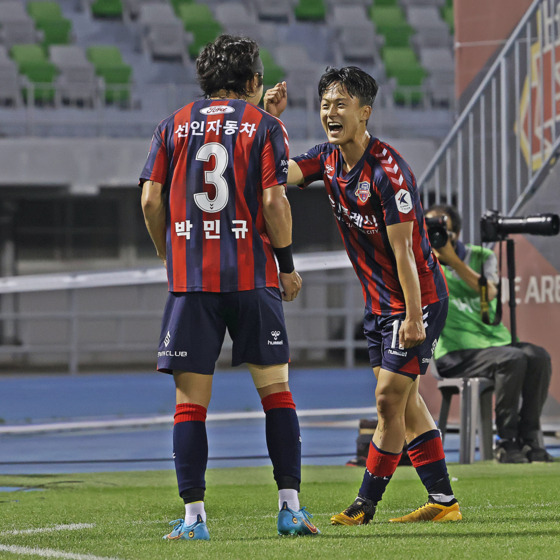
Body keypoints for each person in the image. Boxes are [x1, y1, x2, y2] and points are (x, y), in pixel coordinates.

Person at [139, 34, 319, 541]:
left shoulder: (172, 124)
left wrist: (166, 250)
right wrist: (286, 265)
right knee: (276, 393)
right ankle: (289, 509)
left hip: (192, 281)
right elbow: (274, 202)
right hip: (253, 276)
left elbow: (152, 200)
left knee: (190, 402)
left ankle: (195, 519)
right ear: (254, 81)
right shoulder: (264, 125)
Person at [264, 66, 461, 525]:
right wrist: (269, 122)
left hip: (419, 300)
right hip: (378, 306)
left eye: (340, 104)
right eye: (325, 104)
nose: (330, 113)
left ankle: (364, 504)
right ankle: (443, 500)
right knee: (406, 404)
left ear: (364, 112)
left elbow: (406, 253)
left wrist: (414, 318)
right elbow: (276, 174)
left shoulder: (389, 173)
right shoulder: (326, 161)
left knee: (388, 399)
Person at [425, 204, 553, 463]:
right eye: (428, 230)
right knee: (512, 359)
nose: (434, 236)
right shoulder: (423, 262)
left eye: (441, 230)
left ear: (456, 233)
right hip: (453, 352)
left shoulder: (482, 256)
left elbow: (490, 293)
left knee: (539, 356)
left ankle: (529, 438)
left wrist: (454, 261)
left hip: (493, 342)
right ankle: (505, 441)